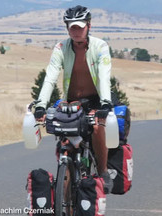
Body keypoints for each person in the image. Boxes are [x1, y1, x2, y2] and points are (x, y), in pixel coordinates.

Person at [34, 5, 113, 193]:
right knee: (64, 135)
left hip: (96, 100)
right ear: (67, 28)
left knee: (96, 127)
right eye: (72, 27)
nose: (76, 31)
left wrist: (105, 103)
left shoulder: (100, 46)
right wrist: (41, 105)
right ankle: (65, 187)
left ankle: (103, 171)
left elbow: (104, 75)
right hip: (71, 102)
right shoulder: (61, 47)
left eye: (79, 27)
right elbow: (51, 76)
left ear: (88, 26)